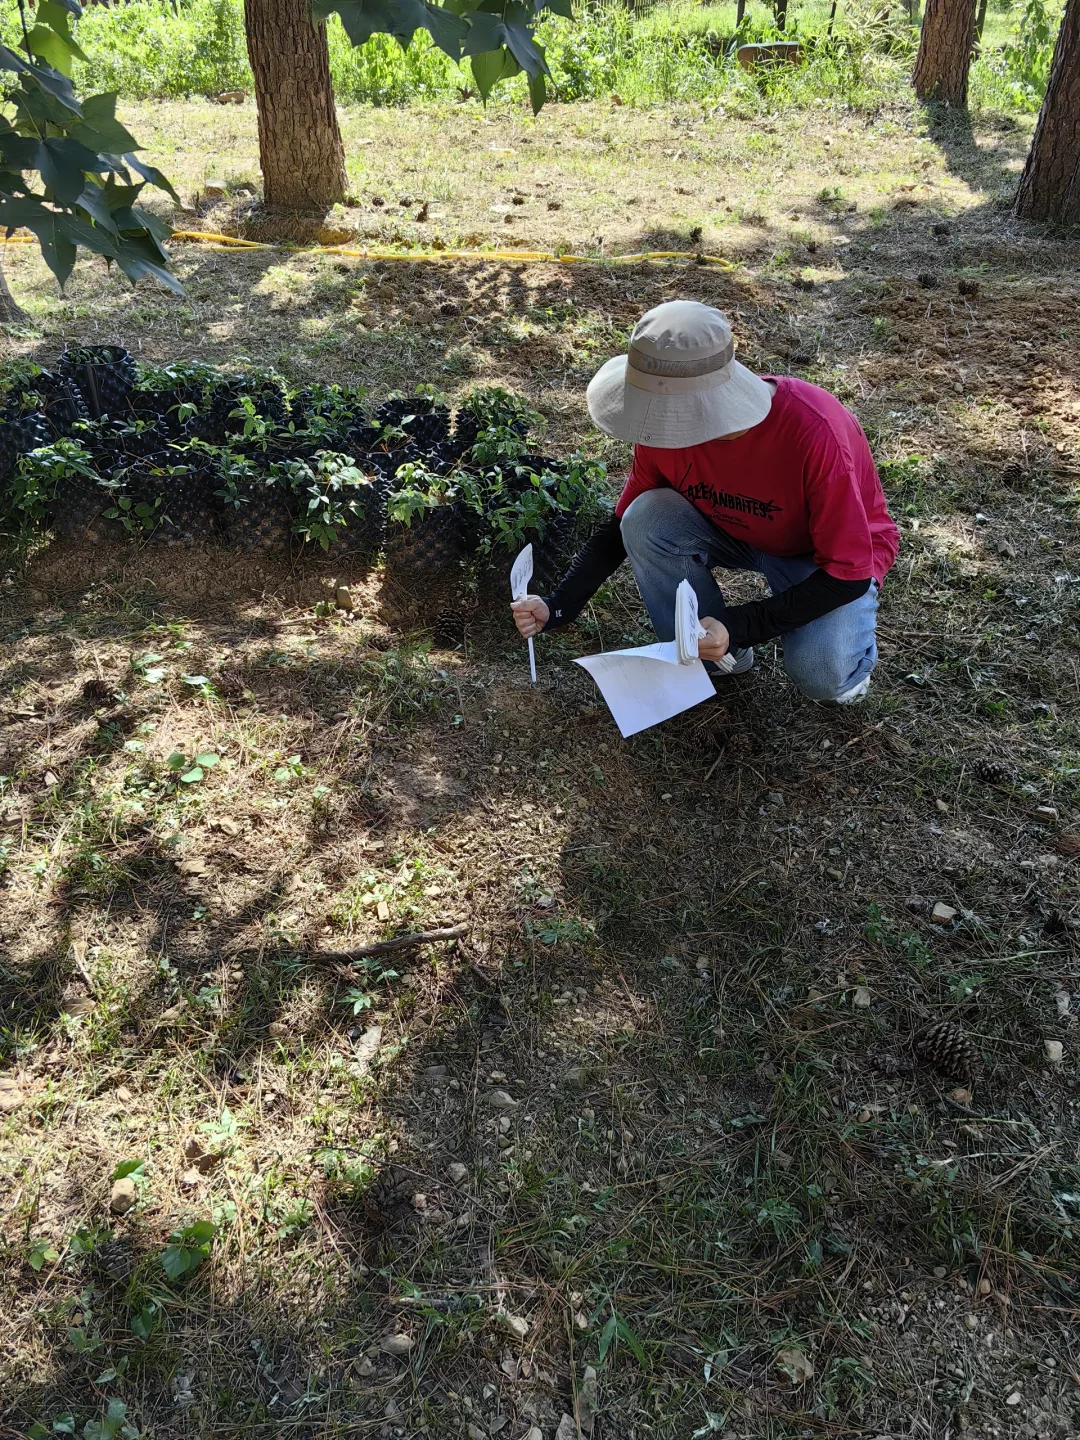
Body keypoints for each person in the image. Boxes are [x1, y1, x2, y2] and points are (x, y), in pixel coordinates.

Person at [511, 300, 899, 704]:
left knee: (823, 677)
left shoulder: (814, 432)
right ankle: (715, 657)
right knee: (644, 517)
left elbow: (847, 573)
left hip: (818, 556)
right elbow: (621, 525)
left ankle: (844, 663)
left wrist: (737, 624)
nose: (659, 428)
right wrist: (559, 605)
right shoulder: (661, 428)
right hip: (731, 528)